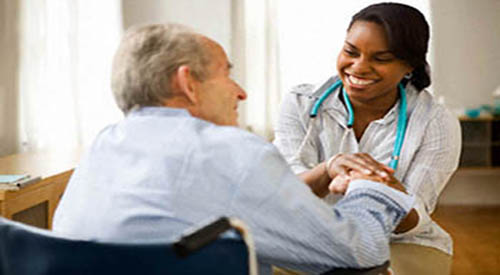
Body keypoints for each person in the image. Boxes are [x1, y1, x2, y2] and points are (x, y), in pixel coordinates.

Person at [52, 23, 415, 274]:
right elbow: (358, 251)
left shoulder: (105, 145)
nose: (240, 92)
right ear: (188, 83)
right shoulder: (232, 151)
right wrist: (372, 188)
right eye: (226, 73)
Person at [273, 3, 461, 275]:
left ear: (409, 66)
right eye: (351, 51)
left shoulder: (435, 122)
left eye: (381, 58)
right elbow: (283, 193)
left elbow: (415, 217)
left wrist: (379, 192)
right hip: (313, 235)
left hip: (401, 241)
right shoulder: (300, 104)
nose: (359, 67)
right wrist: (328, 170)